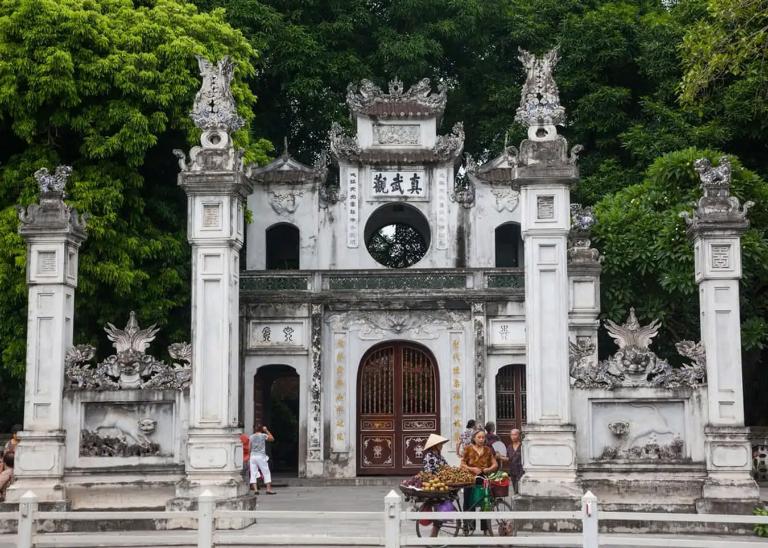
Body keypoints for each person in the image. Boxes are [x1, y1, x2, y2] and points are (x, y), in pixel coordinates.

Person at [460, 430, 498, 535]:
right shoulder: (468, 449)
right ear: (474, 438)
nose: (481, 439)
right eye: (479, 437)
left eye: (483, 437)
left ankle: (485, 528)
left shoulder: (488, 450)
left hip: (483, 478)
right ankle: (468, 526)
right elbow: (462, 464)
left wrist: (488, 469)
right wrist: (472, 469)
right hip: (470, 479)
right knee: (468, 503)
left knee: (485, 503)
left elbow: (495, 464)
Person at [421, 434, 451, 537]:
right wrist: (441, 477)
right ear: (435, 445)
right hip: (434, 483)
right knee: (441, 506)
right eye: (440, 444)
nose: (442, 446)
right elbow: (430, 472)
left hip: (442, 482)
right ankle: (435, 531)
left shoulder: (439, 456)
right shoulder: (429, 456)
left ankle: (438, 526)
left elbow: (447, 467)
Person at [249, 425, 275, 495]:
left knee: (253, 473)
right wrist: (266, 430)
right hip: (260, 456)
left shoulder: (251, 437)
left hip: (253, 456)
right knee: (266, 472)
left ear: (254, 429)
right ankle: (268, 489)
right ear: (261, 429)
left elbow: (249, 448)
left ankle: (255, 490)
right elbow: (272, 439)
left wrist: (249, 456)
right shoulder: (263, 435)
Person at [507, 429, 524, 495]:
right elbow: (508, 458)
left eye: (515, 434)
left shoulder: (522, 446)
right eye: (512, 435)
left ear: (519, 436)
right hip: (513, 471)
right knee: (515, 491)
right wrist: (499, 456)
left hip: (521, 471)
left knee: (520, 491)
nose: (513, 436)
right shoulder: (509, 447)